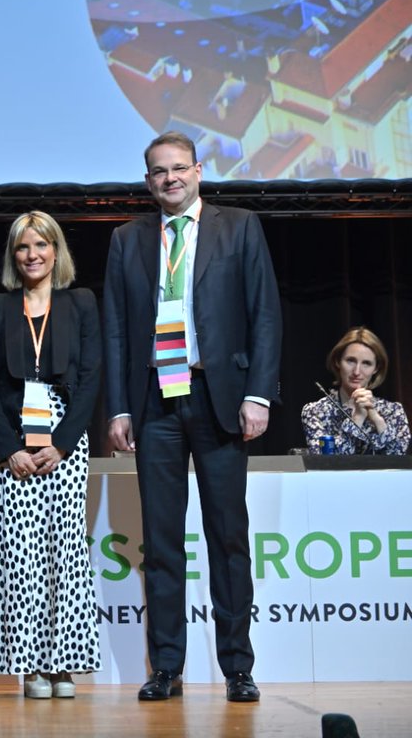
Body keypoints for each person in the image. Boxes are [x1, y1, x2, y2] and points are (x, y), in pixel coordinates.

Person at [104, 132, 281, 704]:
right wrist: (121, 406)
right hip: (155, 401)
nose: (170, 178)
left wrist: (258, 395)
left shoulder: (239, 227)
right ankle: (167, 668)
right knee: (160, 543)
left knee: (228, 537)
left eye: (179, 168)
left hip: (219, 396)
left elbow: (266, 316)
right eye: (159, 171)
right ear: (147, 179)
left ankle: (237, 667)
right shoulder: (126, 240)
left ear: (199, 171)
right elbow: (115, 330)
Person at [0, 211, 102, 699]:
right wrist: (7, 449)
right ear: (13, 254)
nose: (32, 255)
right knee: (20, 555)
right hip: (11, 445)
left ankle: (62, 664)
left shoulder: (82, 303)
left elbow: (91, 378)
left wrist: (63, 443)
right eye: (23, 247)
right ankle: (28, 664)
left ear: (56, 251)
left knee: (64, 554)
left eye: (41, 246)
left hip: (64, 443)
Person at [301, 327, 409, 455]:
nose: (357, 372)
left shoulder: (393, 411)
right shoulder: (315, 411)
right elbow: (327, 463)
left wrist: (377, 420)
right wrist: (357, 418)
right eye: (351, 361)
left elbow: (398, 463)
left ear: (376, 368)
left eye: (366, 363)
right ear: (337, 362)